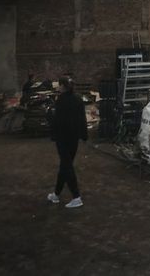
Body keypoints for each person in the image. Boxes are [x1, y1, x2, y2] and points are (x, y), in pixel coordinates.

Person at [47, 76, 88, 208]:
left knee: (67, 166)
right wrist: (84, 135)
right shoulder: (78, 98)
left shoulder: (61, 100)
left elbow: (57, 120)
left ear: (63, 86)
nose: (58, 87)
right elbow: (82, 118)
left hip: (63, 138)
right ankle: (56, 194)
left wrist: (53, 133)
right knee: (65, 166)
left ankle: (76, 197)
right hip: (73, 138)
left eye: (59, 85)